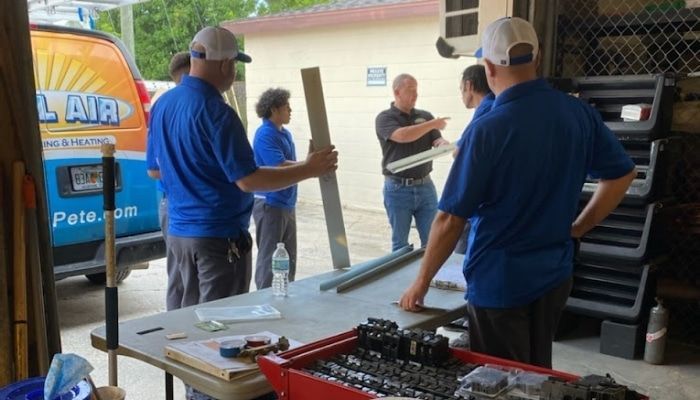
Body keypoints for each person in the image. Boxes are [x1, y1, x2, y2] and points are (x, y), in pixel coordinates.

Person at [399, 17, 635, 368]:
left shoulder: (489, 129)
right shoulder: (578, 113)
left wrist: (421, 283)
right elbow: (621, 175)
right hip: (554, 274)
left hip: (501, 282)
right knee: (536, 372)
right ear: (536, 59)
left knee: (502, 383)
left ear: (488, 66)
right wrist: (579, 228)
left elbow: (450, 218)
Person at [146, 26, 337, 310]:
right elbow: (248, 180)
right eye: (234, 64)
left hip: (179, 235)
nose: (234, 71)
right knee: (220, 328)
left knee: (185, 323)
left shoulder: (164, 105)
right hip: (217, 239)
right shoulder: (217, 113)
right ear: (224, 64)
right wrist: (310, 169)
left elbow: (156, 168)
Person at [375, 74, 450, 251]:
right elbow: (403, 136)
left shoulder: (426, 117)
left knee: (433, 241)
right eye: (410, 90)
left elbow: (436, 140)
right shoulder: (385, 118)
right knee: (400, 244)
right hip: (397, 189)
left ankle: (427, 278)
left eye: (416, 90)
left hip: (425, 187)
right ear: (397, 92)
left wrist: (443, 144)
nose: (415, 95)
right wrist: (432, 124)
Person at [251, 88, 298, 289]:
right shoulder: (264, 135)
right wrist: (310, 165)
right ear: (274, 109)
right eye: (286, 107)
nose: (290, 110)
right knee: (270, 258)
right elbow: (278, 166)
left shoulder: (284, 133)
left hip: (287, 202)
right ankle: (265, 298)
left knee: (288, 257)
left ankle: (285, 294)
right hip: (270, 203)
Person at [156, 51, 191, 311]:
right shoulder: (167, 106)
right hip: (178, 206)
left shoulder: (165, 105)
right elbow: (154, 169)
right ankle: (176, 337)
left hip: (177, 206)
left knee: (184, 280)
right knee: (180, 279)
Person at [453, 64, 494, 255]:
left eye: (461, 89)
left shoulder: (486, 111)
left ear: (469, 86)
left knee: (461, 259)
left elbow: (462, 153)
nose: (461, 95)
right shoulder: (496, 106)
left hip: (479, 205)